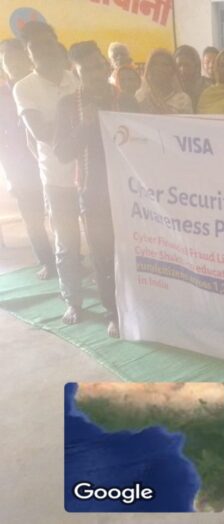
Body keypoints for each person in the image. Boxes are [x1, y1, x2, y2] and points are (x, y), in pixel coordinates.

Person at [54, 41, 139, 338]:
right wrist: (85, 125)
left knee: (132, 252)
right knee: (103, 255)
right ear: (76, 72)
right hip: (94, 194)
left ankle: (138, 307)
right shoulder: (68, 105)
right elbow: (62, 152)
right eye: (86, 69)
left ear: (105, 65)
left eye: (97, 65)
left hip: (130, 192)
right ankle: (113, 312)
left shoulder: (126, 101)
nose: (94, 73)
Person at [13, 21, 82, 324]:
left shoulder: (75, 78)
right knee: (66, 242)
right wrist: (77, 123)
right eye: (35, 46)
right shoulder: (24, 87)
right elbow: (40, 132)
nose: (44, 50)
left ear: (57, 43)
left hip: (89, 173)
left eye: (48, 42)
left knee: (99, 239)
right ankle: (73, 301)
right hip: (56, 178)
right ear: (28, 53)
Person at [0, 39, 54, 280]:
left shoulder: (40, 86)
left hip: (50, 160)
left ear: (27, 58)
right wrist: (9, 175)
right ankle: (47, 261)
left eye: (16, 57)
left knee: (61, 214)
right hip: (20, 168)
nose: (12, 63)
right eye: (6, 59)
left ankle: (70, 257)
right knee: (33, 218)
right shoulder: (2, 95)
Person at [136, 49, 193, 114]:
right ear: (149, 69)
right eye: (155, 64)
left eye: (165, 65)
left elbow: (186, 120)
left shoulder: (182, 100)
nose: (160, 68)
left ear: (173, 70)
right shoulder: (140, 96)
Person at [174, 45, 211, 112]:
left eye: (187, 65)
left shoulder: (207, 88)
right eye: (179, 65)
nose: (182, 69)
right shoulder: (172, 89)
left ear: (196, 66)